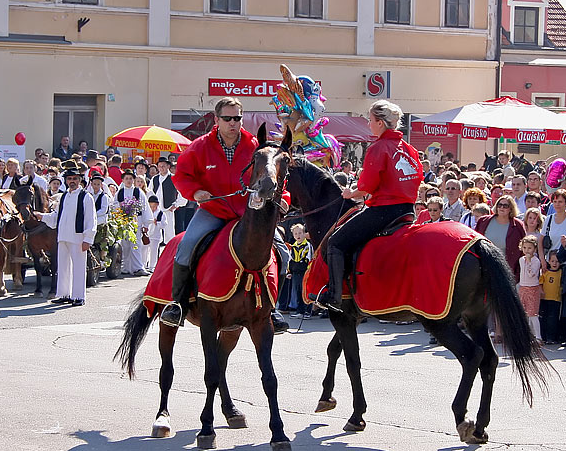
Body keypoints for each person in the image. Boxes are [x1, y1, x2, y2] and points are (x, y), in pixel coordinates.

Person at [160, 97, 291, 327]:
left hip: (248, 213)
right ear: (216, 119)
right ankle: (178, 305)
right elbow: (181, 176)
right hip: (214, 210)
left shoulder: (255, 146)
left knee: (284, 252)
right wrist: (196, 191)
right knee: (186, 247)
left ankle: (273, 309)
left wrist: (286, 199)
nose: (233, 122)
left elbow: (276, 175)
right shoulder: (200, 146)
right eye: (228, 118)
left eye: (237, 118)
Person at [316, 100, 422, 311]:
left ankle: (335, 295)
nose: (368, 124)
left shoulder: (378, 147)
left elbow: (368, 186)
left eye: (371, 120)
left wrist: (350, 193)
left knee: (336, 242)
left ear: (381, 123)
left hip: (383, 210)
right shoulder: (409, 149)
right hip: (407, 211)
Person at [34, 169, 96, 306]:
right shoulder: (63, 197)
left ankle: (79, 296)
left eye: (75, 178)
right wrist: (42, 216)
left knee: (78, 267)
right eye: (69, 179)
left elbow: (91, 220)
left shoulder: (85, 197)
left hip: (78, 237)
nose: (72, 181)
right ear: (66, 181)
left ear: (79, 180)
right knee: (63, 267)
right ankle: (64, 294)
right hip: (63, 237)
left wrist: (88, 239)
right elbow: (56, 217)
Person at [475, 195, 526, 281]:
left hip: (505, 269)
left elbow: (523, 250)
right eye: (499, 205)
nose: (502, 207)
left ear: (511, 208)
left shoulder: (518, 226)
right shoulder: (483, 221)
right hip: (484, 266)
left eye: (505, 206)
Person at [116, 169, 149, 277]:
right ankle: (126, 267)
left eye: (131, 178)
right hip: (124, 221)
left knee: (136, 244)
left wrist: (145, 224)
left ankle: (138, 267)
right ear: (123, 180)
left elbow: (144, 207)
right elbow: (114, 206)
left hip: (136, 221)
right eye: (127, 179)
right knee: (125, 245)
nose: (129, 181)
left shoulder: (138, 192)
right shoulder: (119, 192)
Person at [149, 156, 184, 252]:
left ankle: (170, 253)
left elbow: (182, 193)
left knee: (169, 233)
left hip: (167, 209)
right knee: (154, 233)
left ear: (168, 166)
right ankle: (154, 254)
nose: (161, 168)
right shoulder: (154, 179)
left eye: (163, 166)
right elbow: (150, 192)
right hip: (156, 210)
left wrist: (176, 204)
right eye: (159, 166)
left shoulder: (173, 178)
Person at [538, 189, 566, 268]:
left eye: (560, 202)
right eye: (555, 201)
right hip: (550, 263)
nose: (557, 204)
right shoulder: (549, 219)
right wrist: (542, 260)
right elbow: (540, 241)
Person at [518, 235, 542, 343]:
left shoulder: (535, 261)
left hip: (532, 288)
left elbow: (531, 273)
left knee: (533, 314)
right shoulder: (521, 260)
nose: (527, 250)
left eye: (529, 248)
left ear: (534, 249)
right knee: (524, 313)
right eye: (525, 248)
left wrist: (529, 261)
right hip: (523, 287)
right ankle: (528, 335)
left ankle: (538, 336)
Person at [287, 223, 313, 319]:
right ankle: (300, 310)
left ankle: (308, 311)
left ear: (304, 233)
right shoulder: (293, 247)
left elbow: (310, 259)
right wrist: (289, 272)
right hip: (296, 272)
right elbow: (290, 260)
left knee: (305, 291)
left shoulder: (307, 245)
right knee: (298, 291)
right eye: (296, 234)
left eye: (300, 233)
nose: (298, 235)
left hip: (305, 272)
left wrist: (309, 271)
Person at [540, 250, 563, 344]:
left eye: (557, 261)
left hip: (556, 299)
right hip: (545, 299)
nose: (554, 263)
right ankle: (544, 337)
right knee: (544, 318)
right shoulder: (545, 272)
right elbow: (540, 283)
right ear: (549, 261)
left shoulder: (561, 272)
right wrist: (541, 292)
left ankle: (552, 337)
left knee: (553, 319)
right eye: (552, 261)